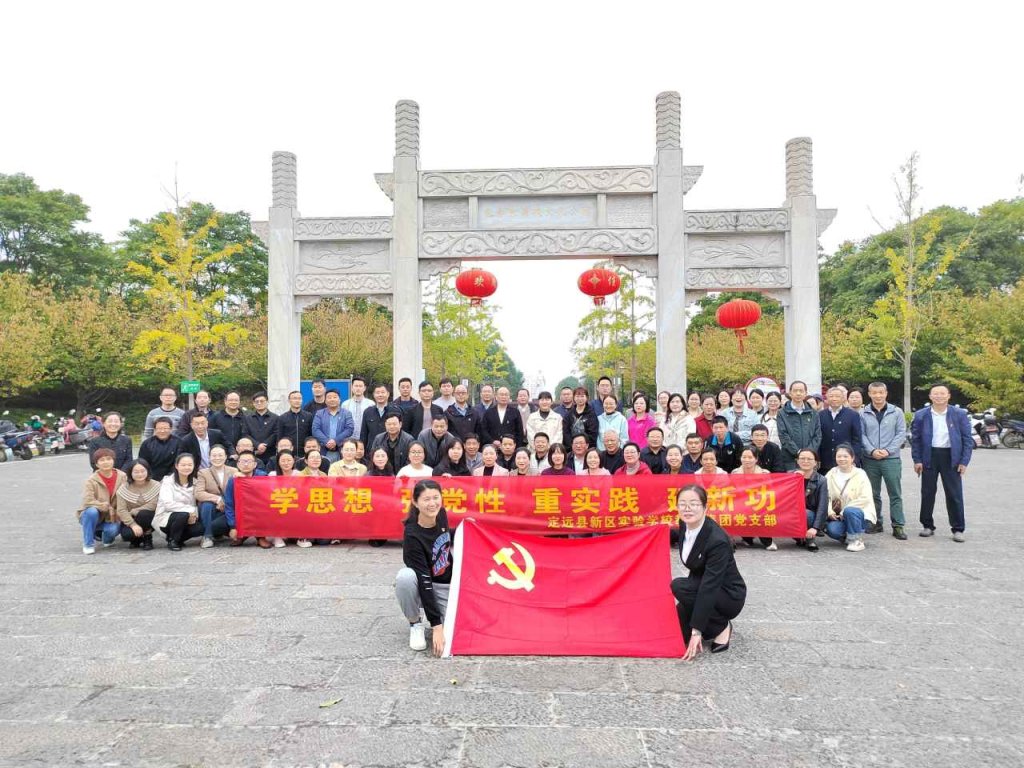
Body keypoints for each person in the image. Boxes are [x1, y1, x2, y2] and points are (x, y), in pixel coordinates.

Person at [671, 484, 746, 660]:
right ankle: (706, 621)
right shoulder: (685, 524)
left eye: (693, 504)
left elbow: (709, 586)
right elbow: (674, 536)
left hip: (726, 594)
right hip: (699, 584)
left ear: (705, 507)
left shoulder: (717, 541)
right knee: (675, 635)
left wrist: (697, 631)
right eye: (682, 504)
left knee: (679, 586)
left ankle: (721, 626)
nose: (687, 509)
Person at [396, 480, 453, 654]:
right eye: (426, 499)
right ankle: (415, 623)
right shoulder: (412, 535)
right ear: (415, 502)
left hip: (446, 585)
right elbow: (424, 580)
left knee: (457, 631)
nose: (432, 503)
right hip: (423, 587)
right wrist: (436, 625)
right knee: (405, 577)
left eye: (436, 497)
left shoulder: (441, 514)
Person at [911, 384, 972, 542]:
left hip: (951, 457)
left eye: (942, 393)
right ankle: (927, 525)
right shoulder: (921, 415)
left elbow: (967, 439)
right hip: (929, 456)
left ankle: (958, 528)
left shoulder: (959, 414)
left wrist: (964, 461)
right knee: (927, 492)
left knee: (954, 494)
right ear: (930, 396)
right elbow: (916, 440)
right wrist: (917, 460)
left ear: (948, 396)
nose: (939, 396)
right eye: (935, 394)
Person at [860, 382, 907, 539]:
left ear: (886, 393)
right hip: (870, 459)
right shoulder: (863, 413)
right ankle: (875, 522)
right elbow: (861, 434)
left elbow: (901, 433)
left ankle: (898, 525)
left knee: (895, 493)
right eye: (874, 392)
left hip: (891, 459)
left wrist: (887, 450)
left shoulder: (896, 412)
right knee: (872, 493)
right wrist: (872, 450)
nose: (878, 395)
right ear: (869, 394)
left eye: (881, 392)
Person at [824, 444, 876, 552]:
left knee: (850, 511)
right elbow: (825, 495)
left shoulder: (860, 474)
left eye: (845, 456)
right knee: (832, 529)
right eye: (839, 456)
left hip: (859, 515)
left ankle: (856, 540)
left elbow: (865, 498)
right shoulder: (831, 473)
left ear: (852, 458)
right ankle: (849, 536)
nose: (842, 459)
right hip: (839, 516)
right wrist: (829, 511)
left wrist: (844, 511)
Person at [78, 448, 127, 555]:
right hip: (94, 514)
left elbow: (126, 496)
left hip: (112, 517)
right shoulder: (91, 480)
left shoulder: (122, 476)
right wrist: (106, 506)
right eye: (102, 460)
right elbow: (88, 501)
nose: (106, 462)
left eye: (108, 459)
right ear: (96, 464)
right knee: (91, 511)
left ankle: (103, 536)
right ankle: (88, 544)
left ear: (113, 460)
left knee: (112, 531)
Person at [154, 453, 203, 551]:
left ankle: (178, 538)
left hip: (188, 517)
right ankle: (174, 541)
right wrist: (190, 510)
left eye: (189, 465)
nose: (187, 467)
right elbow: (168, 504)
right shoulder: (167, 481)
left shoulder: (195, 482)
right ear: (176, 466)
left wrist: (193, 514)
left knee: (200, 528)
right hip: (166, 518)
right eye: (183, 465)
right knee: (182, 515)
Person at [222, 451, 271, 549]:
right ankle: (242, 534)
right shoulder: (233, 480)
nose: (246, 464)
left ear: (255, 464)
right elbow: (229, 504)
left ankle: (260, 536)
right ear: (238, 464)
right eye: (243, 461)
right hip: (241, 512)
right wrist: (232, 526)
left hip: (259, 511)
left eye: (249, 461)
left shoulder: (262, 477)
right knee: (217, 526)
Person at [194, 444, 237, 549]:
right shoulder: (203, 472)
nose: (217, 458)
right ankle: (207, 536)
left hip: (228, 507)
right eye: (214, 455)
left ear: (226, 457)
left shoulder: (234, 471)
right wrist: (218, 499)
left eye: (220, 455)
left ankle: (216, 532)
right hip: (211, 508)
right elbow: (198, 493)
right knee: (207, 504)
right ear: (209, 457)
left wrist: (226, 501)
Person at [733, 447, 776, 551]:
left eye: (750, 457)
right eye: (744, 457)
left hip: (759, 505)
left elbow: (771, 492)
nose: (747, 460)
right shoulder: (734, 473)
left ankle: (767, 540)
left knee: (760, 514)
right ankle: (746, 537)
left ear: (756, 459)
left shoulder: (765, 473)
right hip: (740, 506)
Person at [115, 459, 160, 550]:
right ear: (130, 473)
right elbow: (121, 510)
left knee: (144, 514)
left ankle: (147, 538)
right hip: (131, 519)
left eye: (143, 471)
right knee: (127, 535)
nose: (140, 474)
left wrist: (134, 511)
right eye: (136, 472)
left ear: (148, 471)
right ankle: (137, 539)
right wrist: (133, 525)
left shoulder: (156, 485)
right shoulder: (123, 488)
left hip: (150, 518)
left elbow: (154, 504)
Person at [777, 380, 822, 471]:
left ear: (806, 393)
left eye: (801, 391)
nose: (798, 393)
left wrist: (808, 453)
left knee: (809, 480)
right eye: (795, 391)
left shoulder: (813, 413)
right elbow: (783, 435)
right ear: (790, 393)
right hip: (790, 459)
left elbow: (817, 435)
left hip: (810, 458)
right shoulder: (782, 413)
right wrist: (798, 452)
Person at [818, 386, 864, 472]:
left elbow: (857, 440)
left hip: (846, 461)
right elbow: (817, 438)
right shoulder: (820, 415)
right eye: (831, 396)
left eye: (837, 396)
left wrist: (854, 459)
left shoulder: (853, 415)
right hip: (825, 461)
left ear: (843, 398)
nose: (834, 399)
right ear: (826, 398)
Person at [794, 448, 829, 552]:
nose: (805, 461)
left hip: (810, 515)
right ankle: (799, 537)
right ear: (797, 461)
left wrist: (815, 528)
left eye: (809, 459)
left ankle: (810, 540)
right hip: (792, 514)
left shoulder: (821, 480)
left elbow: (822, 506)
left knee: (806, 513)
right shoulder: (790, 475)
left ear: (815, 462)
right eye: (802, 458)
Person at [311, 389, 354, 463]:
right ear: (325, 400)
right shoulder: (319, 413)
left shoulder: (347, 413)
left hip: (341, 449)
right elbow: (315, 429)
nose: (332, 399)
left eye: (335, 397)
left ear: (339, 400)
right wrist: (327, 441)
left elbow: (349, 429)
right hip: (323, 449)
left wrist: (335, 441)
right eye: (329, 397)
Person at [138, 417, 181, 482]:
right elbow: (143, 463)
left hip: (173, 478)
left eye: (165, 428)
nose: (162, 431)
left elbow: (179, 463)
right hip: (151, 479)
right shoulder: (147, 444)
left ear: (171, 429)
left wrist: (169, 478)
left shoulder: (179, 443)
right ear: (155, 429)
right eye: (159, 428)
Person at [210, 391, 246, 460]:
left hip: (241, 454)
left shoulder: (246, 417)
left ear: (239, 402)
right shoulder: (215, 417)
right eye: (231, 400)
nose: (233, 402)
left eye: (236, 400)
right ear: (225, 401)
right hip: (220, 454)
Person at [244, 392, 279, 462]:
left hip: (270, 453)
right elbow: (245, 434)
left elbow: (276, 433)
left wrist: (265, 445)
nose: (259, 403)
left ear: (267, 402)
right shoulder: (247, 418)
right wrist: (257, 445)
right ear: (253, 403)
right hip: (253, 453)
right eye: (256, 401)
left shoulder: (275, 418)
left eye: (262, 401)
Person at [360, 383, 398, 447]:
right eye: (377, 393)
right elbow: (364, 434)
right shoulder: (368, 412)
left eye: (383, 392)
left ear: (388, 394)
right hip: (372, 449)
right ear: (374, 395)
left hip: (391, 448)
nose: (380, 395)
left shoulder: (396, 411)